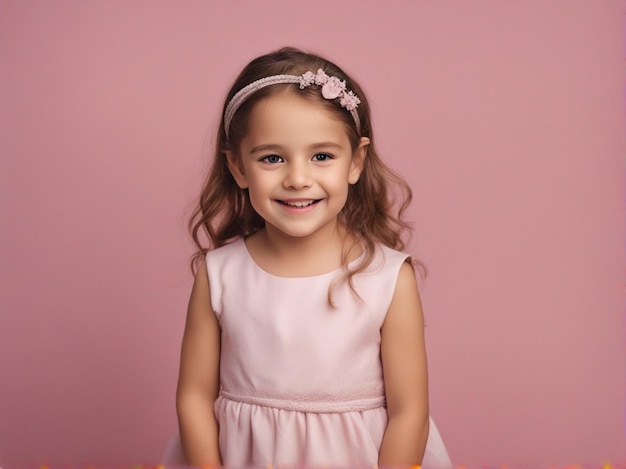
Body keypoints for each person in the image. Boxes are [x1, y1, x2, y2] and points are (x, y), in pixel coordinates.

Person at [175, 47, 452, 467]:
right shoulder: (220, 274)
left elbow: (410, 413)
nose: (298, 178)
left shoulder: (388, 278)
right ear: (238, 167)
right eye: (272, 158)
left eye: (321, 156)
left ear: (356, 161)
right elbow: (194, 397)